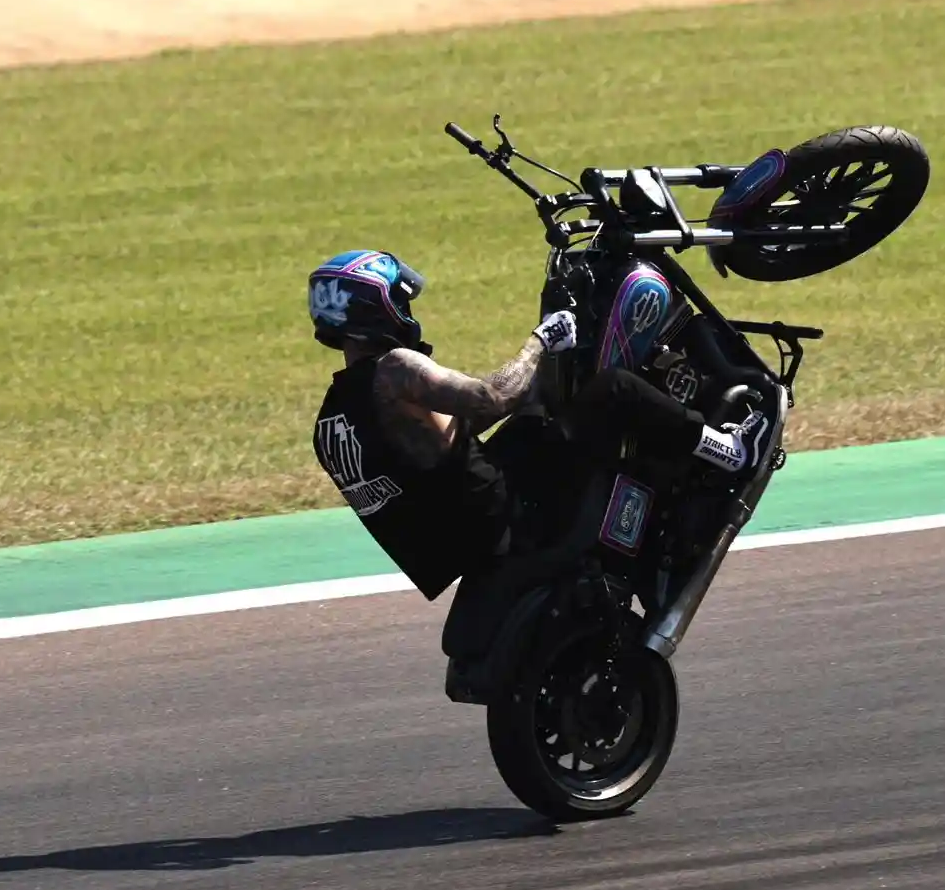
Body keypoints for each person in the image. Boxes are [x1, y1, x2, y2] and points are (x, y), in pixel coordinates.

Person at [306, 248, 768, 660]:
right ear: (375, 309)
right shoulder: (396, 370)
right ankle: (729, 449)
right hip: (506, 513)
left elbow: (445, 443)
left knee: (543, 402)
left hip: (461, 534)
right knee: (614, 390)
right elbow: (490, 398)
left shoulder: (335, 417)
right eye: (400, 301)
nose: (406, 310)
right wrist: (540, 342)